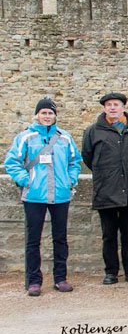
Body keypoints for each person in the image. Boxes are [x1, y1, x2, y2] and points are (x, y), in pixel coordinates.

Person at [4, 98, 82, 296]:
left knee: (60, 238)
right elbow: (12, 161)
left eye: (50, 113)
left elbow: (75, 162)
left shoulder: (65, 137)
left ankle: (60, 278)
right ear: (37, 115)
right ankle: (34, 281)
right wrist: (25, 179)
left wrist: (70, 180)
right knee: (33, 240)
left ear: (55, 116)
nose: (47, 116)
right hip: (34, 195)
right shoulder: (25, 137)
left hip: (61, 194)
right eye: (44, 113)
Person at [82, 93, 128, 285]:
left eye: (116, 105)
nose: (112, 108)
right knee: (109, 235)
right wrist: (106, 173)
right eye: (108, 105)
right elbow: (87, 156)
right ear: (104, 108)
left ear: (123, 107)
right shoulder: (93, 131)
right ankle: (111, 272)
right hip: (106, 190)